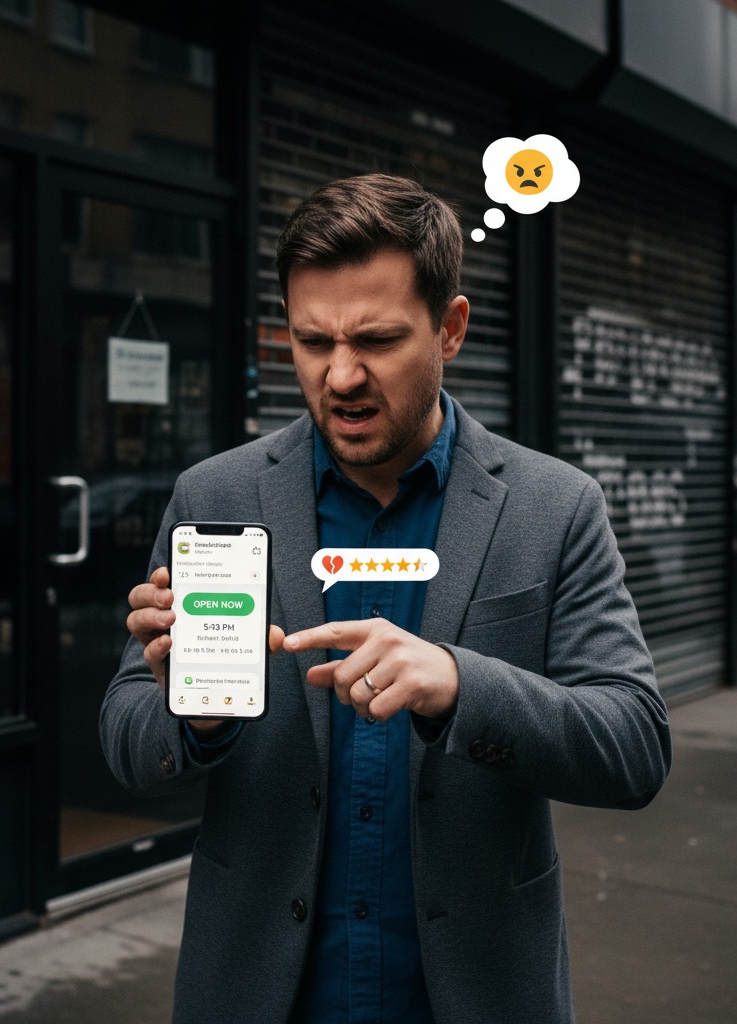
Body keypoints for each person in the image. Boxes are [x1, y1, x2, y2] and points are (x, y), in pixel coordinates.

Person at [100, 173, 671, 1024]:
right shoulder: (213, 498)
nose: (340, 375)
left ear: (451, 329)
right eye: (310, 340)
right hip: (259, 993)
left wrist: (459, 684)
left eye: (376, 339)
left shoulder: (555, 507)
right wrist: (196, 711)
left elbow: (634, 747)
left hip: (472, 996)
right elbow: (124, 735)